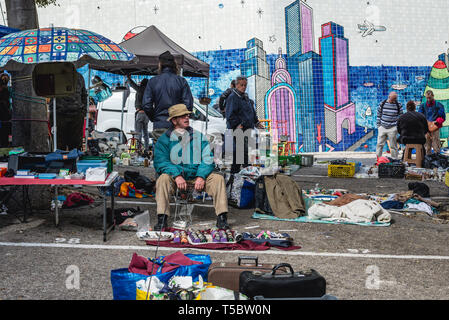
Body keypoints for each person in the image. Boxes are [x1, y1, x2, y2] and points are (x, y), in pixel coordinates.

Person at [153, 104, 229, 231]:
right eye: (182, 116)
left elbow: (208, 158)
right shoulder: (164, 140)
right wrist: (176, 175)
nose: (187, 117)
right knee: (162, 179)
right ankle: (162, 219)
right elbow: (161, 162)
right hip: (176, 178)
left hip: (196, 177)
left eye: (187, 115)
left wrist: (201, 176)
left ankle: (222, 218)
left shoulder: (198, 137)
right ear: (174, 120)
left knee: (218, 179)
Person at [142, 51, 194, 145]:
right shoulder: (181, 81)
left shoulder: (153, 81)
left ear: (160, 65)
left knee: (160, 156)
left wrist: (155, 118)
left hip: (159, 126)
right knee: (177, 157)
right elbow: (188, 105)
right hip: (177, 125)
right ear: (174, 64)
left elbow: (146, 105)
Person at [225, 76, 264, 173]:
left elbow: (251, 112)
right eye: (241, 85)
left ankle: (235, 174)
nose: (243, 87)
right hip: (239, 130)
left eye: (245, 85)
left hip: (248, 129)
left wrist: (257, 122)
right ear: (237, 85)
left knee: (241, 153)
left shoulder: (245, 97)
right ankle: (247, 172)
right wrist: (238, 124)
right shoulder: (232, 97)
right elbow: (229, 115)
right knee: (244, 152)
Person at [52, 72, 87, 151]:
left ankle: (74, 162)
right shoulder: (56, 76)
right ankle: (60, 162)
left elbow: (84, 95)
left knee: (76, 145)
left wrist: (83, 111)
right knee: (59, 146)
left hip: (76, 115)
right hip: (59, 115)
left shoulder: (79, 77)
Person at [376, 91, 403, 159]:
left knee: (393, 146)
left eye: (395, 99)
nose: (394, 100)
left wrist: (397, 127)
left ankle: (395, 159)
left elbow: (401, 116)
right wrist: (379, 126)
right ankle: (378, 159)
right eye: (393, 99)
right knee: (379, 144)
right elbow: (379, 115)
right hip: (382, 127)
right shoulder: (382, 104)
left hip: (393, 128)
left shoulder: (398, 105)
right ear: (389, 97)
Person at [127, 75, 150, 155]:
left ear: (142, 83)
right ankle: (146, 150)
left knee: (138, 133)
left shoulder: (140, 89)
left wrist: (129, 78)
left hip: (140, 113)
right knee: (146, 133)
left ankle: (138, 151)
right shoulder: (149, 92)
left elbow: (133, 85)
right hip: (147, 115)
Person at [418, 90, 446, 154]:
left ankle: (437, 159)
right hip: (426, 128)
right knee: (427, 146)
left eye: (430, 97)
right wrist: (426, 122)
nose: (428, 99)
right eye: (427, 98)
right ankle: (428, 159)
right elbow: (420, 116)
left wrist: (436, 122)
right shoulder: (423, 106)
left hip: (435, 127)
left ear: (433, 96)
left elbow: (443, 117)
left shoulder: (439, 105)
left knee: (436, 145)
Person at [0, 73, 11, 147]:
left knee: (4, 132)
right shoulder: (6, 90)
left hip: (4, 114)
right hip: (4, 114)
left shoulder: (6, 90)